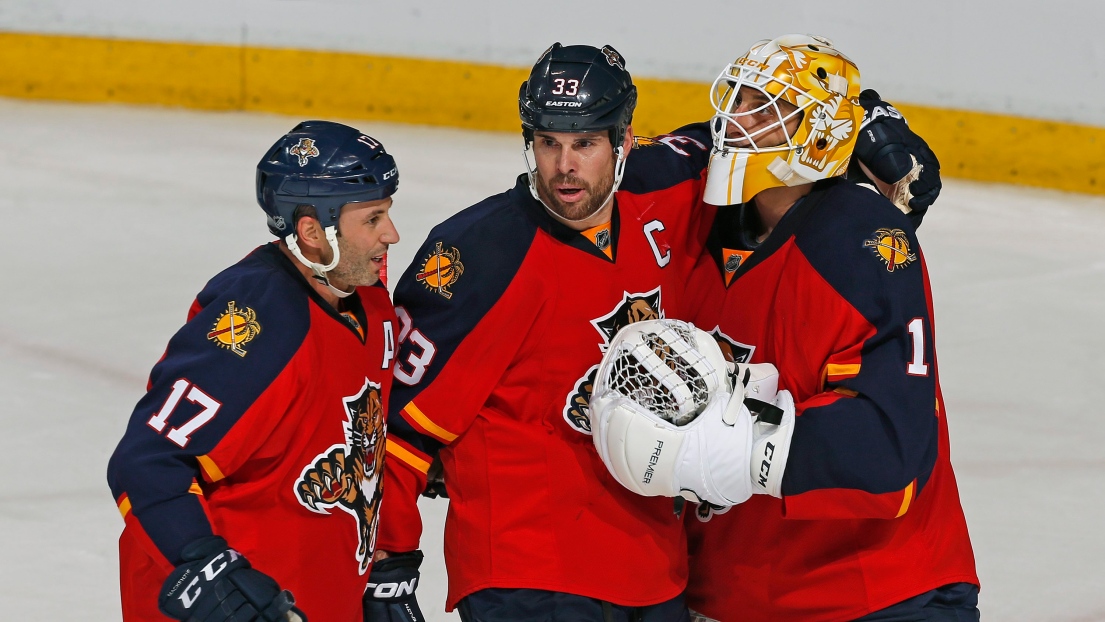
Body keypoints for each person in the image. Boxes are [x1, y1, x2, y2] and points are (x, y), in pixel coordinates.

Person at [370, 42, 946, 622]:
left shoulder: (667, 190)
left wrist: (862, 118)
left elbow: (760, 132)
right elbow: (395, 423)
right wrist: (390, 565)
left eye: (585, 143)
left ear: (624, 142)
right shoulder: (480, 254)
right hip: (531, 573)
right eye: (548, 142)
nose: (564, 166)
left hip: (657, 576)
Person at [590, 35, 978, 621]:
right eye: (736, 99)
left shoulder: (862, 242)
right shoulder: (695, 211)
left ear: (816, 136)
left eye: (761, 109)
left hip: (880, 597)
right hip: (734, 595)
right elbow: (604, 170)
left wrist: (737, 446)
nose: (732, 121)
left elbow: (888, 451)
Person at [107, 120, 402, 622]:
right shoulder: (263, 315)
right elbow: (149, 461)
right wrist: (207, 569)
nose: (391, 235)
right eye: (372, 219)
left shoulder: (368, 300)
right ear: (313, 232)